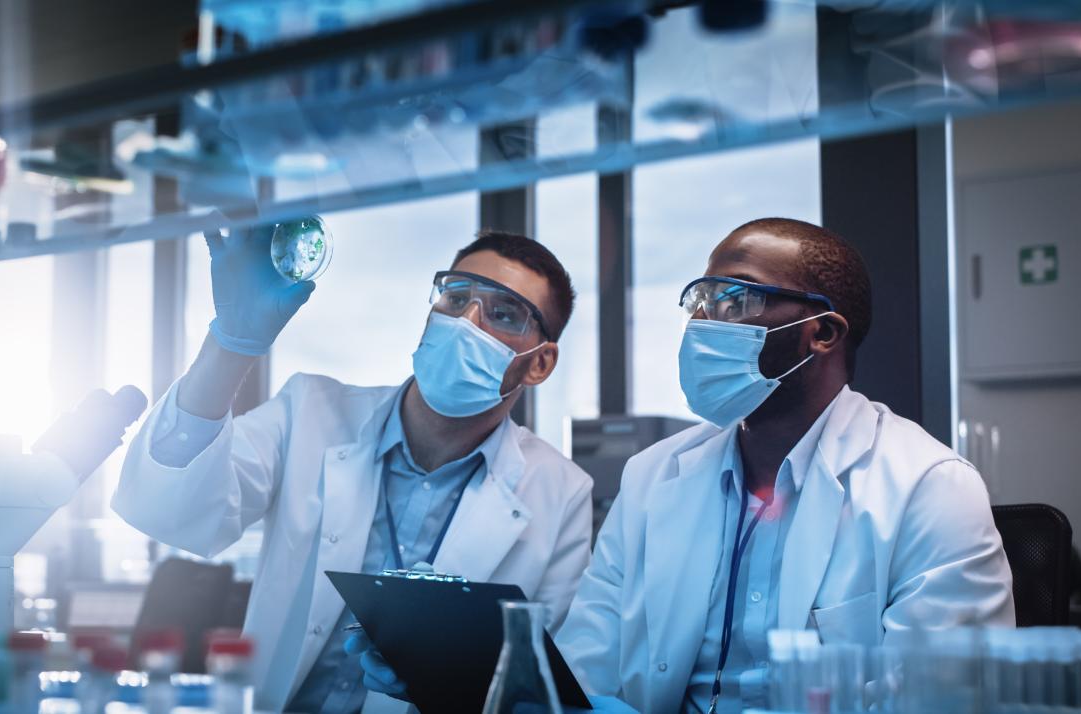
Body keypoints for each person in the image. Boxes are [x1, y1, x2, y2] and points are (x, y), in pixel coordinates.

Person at [359, 217, 1015, 713]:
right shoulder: (651, 480)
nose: (704, 322)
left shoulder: (930, 489)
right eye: (700, 300)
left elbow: (944, 702)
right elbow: (588, 673)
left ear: (822, 333)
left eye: (736, 301)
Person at [113, 222, 596, 713]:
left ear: (540, 363)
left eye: (504, 314)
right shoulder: (309, 411)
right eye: (454, 298)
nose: (468, 321)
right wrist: (232, 346)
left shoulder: (560, 492)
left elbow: (542, 688)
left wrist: (448, 680)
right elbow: (172, 508)